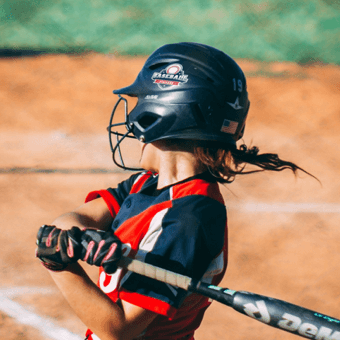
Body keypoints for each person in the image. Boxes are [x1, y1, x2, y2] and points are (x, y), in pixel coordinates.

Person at [35, 42, 313, 340]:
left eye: (140, 102)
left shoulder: (189, 219)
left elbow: (119, 329)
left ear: (164, 113)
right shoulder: (149, 184)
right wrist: (81, 236)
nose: (132, 117)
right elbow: (74, 217)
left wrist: (60, 265)